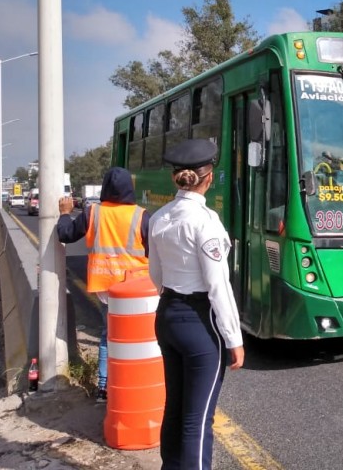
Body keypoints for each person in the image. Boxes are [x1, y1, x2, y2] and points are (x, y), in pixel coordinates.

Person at [148, 138, 244, 470]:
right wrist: (234, 339)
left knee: (174, 407)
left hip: (167, 316)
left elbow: (155, 275)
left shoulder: (159, 217)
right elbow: (219, 286)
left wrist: (174, 297)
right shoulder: (206, 222)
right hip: (199, 323)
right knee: (198, 419)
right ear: (208, 177)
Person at [56, 167, 150, 403]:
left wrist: (65, 213)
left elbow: (65, 234)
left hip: (106, 287)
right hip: (137, 289)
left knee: (109, 337)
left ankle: (104, 388)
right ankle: (138, 383)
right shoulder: (141, 215)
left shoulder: (93, 213)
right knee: (143, 337)